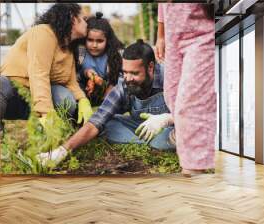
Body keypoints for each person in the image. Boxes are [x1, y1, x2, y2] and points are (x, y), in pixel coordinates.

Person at [37, 40, 176, 165]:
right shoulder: (124, 85)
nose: (128, 78)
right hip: (139, 125)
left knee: (179, 134)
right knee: (106, 124)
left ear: (150, 67)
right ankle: (158, 141)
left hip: (177, 125)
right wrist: (61, 151)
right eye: (125, 72)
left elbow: (195, 113)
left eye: (134, 73)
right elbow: (96, 121)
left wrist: (167, 119)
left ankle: (166, 139)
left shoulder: (170, 77)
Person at [0, 3, 93, 126]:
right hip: (15, 93)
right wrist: (46, 113)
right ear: (73, 18)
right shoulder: (43, 32)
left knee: (66, 99)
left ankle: (57, 132)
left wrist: (82, 99)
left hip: (36, 95)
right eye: (84, 19)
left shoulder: (68, 48)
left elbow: (70, 81)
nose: (87, 24)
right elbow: (39, 73)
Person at [155, 3, 216, 177]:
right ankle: (190, 149)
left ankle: (194, 169)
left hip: (202, 33)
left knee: (188, 105)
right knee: (172, 96)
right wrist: (161, 34)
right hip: (173, 34)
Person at [77, 12, 124, 106]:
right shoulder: (81, 52)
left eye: (100, 41)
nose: (94, 45)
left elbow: (116, 80)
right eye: (90, 40)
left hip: (108, 91)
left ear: (108, 40)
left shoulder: (113, 54)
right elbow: (75, 73)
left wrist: (105, 100)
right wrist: (86, 73)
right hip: (83, 89)